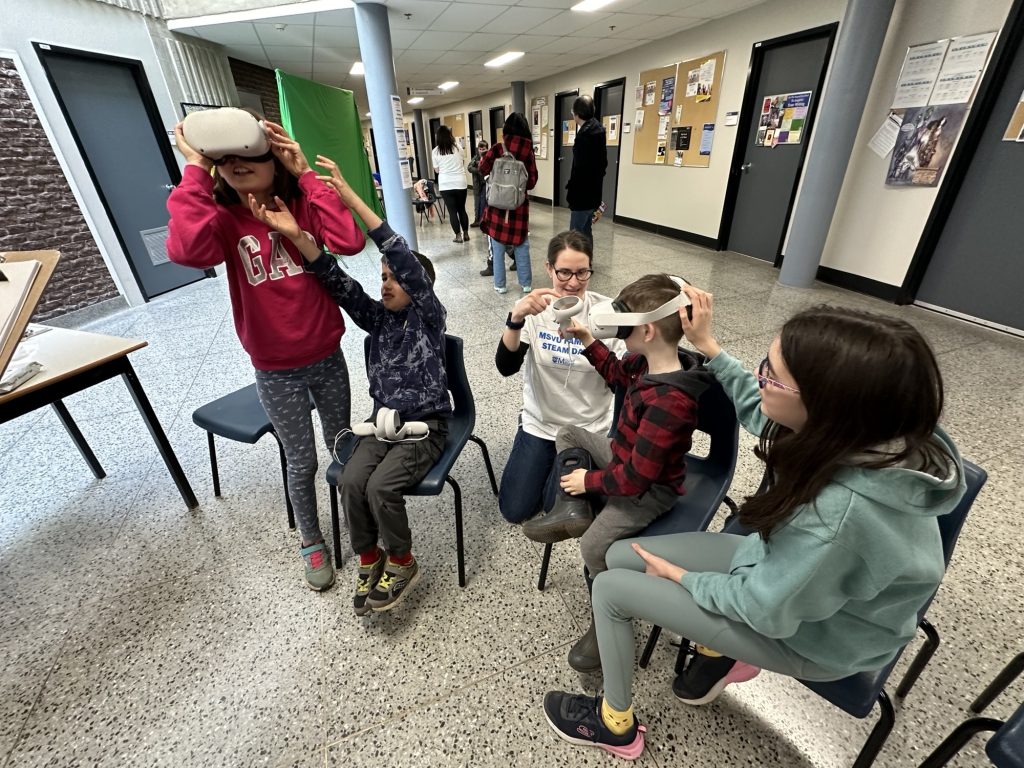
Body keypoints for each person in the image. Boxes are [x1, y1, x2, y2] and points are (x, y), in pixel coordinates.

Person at [542, 288, 967, 760]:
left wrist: (682, 578)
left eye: (772, 376)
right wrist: (710, 347)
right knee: (620, 556)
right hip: (779, 569)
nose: (759, 379)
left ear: (825, 405)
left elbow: (765, 609)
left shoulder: (836, 520)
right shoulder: (866, 430)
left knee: (610, 590)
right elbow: (754, 404)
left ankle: (614, 725)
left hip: (810, 634)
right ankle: (712, 650)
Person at [167, 117, 365, 592]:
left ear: (272, 161)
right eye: (223, 158)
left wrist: (307, 177)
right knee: (301, 461)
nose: (235, 164)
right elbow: (185, 249)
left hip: (325, 354)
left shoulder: (301, 203)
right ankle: (312, 542)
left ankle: (361, 527)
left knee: (343, 446)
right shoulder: (222, 219)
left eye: (247, 155)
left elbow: (350, 240)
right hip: (276, 370)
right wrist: (195, 170)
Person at [524, 274, 709, 674]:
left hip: (649, 489)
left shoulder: (672, 402)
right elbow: (617, 376)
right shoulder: (645, 361)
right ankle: (572, 509)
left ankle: (609, 614)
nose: (619, 337)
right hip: (625, 453)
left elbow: (636, 480)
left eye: (624, 329)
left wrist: (587, 481)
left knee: (592, 548)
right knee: (569, 432)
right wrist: (587, 340)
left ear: (646, 330)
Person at [302, 157, 450, 615]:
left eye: (395, 279)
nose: (386, 284)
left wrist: (350, 199)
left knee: (381, 486)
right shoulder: (378, 320)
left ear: (418, 285)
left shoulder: (429, 317)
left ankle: (403, 561)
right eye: (382, 277)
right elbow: (338, 283)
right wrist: (297, 237)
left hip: (425, 427)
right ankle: (370, 557)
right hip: (381, 424)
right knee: (350, 479)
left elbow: (403, 257)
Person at [495, 231, 625, 526]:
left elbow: (619, 383)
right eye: (564, 272)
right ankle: (545, 460)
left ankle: (569, 465)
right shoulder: (536, 310)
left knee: (559, 507)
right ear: (549, 269)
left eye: (582, 272)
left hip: (586, 427)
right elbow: (506, 367)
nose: (574, 282)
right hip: (540, 423)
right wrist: (516, 318)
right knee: (515, 510)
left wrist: (588, 340)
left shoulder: (607, 313)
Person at [478, 113, 538, 294]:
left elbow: (482, 168)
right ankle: (526, 284)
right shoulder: (528, 151)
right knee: (521, 245)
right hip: (519, 207)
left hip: (497, 205)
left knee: (497, 245)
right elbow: (532, 181)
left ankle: (500, 285)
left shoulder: (498, 148)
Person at [566, 94, 607, 242]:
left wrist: (572, 193)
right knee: (586, 231)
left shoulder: (584, 136)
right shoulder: (599, 131)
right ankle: (586, 261)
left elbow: (580, 169)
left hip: (582, 195)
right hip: (594, 193)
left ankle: (576, 264)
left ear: (577, 114)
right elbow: (603, 165)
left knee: (575, 234)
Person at [431, 125, 470, 243]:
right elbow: (462, 163)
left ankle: (458, 236)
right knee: (461, 209)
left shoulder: (435, 151)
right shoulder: (458, 147)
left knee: (452, 211)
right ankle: (466, 234)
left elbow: (437, 170)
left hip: (446, 185)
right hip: (460, 183)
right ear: (450, 135)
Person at [467, 139, 488, 227]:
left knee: (484, 203)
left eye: (483, 149)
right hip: (477, 184)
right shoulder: (475, 158)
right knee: (477, 202)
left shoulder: (488, 158)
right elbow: (469, 167)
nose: (481, 151)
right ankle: (477, 220)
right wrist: (478, 169)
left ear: (487, 149)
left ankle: (483, 221)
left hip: (485, 183)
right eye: (480, 149)